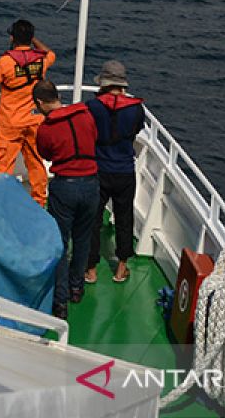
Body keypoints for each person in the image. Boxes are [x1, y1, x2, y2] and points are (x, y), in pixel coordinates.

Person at [33, 79, 100, 319]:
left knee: (61, 243)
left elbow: (45, 153)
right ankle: (76, 288)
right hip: (92, 184)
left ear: (40, 102)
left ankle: (60, 302)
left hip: (65, 187)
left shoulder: (47, 128)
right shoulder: (86, 115)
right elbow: (94, 137)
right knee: (82, 239)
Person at [0, 19, 56, 206]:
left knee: (5, 165)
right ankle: (40, 201)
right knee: (35, 163)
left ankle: (3, 203)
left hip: (11, 123)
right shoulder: (40, 61)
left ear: (12, 37)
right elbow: (51, 54)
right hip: (34, 120)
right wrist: (34, 41)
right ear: (31, 38)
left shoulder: (5, 62)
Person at [85, 60, 146, 285]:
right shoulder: (136, 109)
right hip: (124, 171)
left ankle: (90, 269)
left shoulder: (92, 107)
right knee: (124, 218)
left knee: (93, 219)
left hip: (98, 170)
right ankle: (121, 268)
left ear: (103, 83)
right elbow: (136, 130)